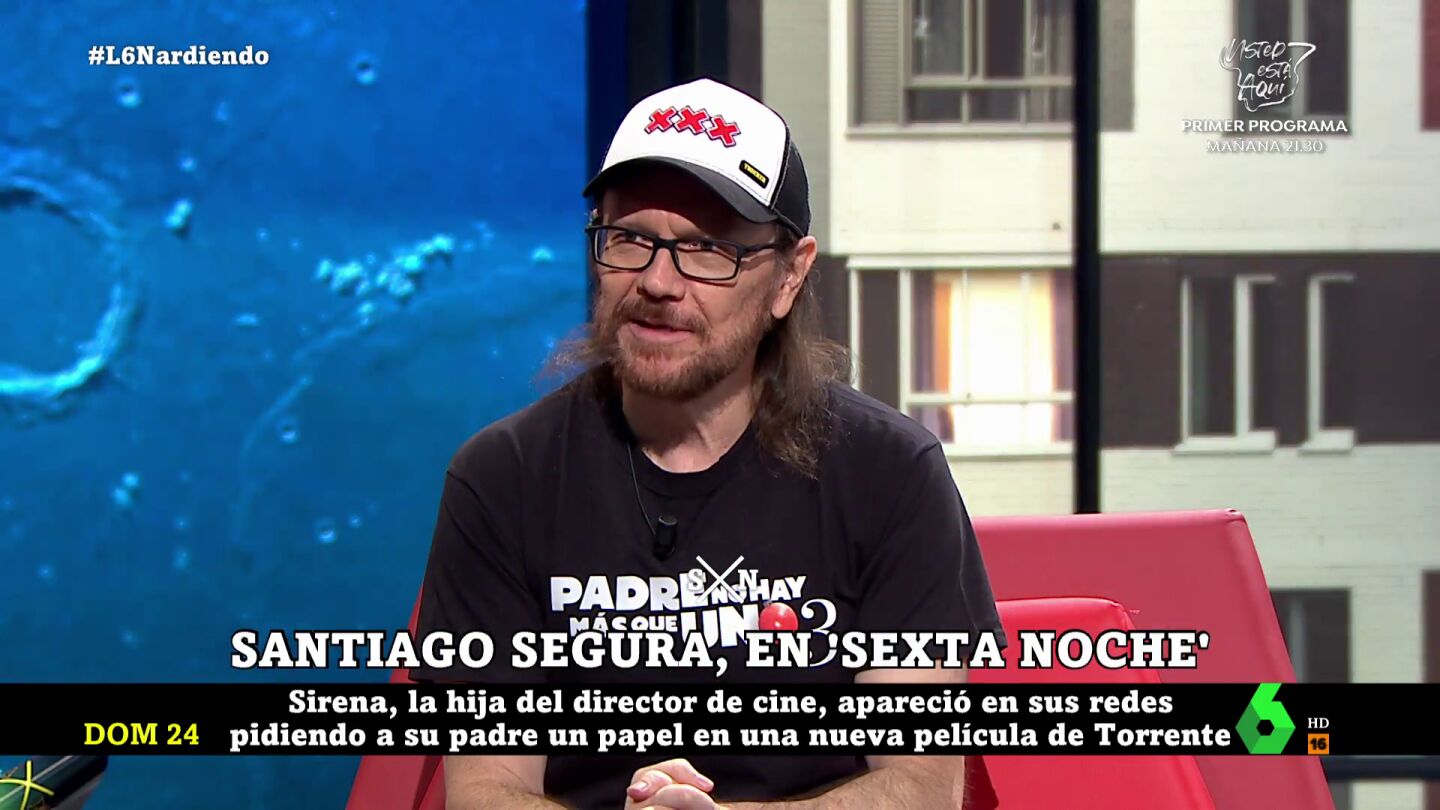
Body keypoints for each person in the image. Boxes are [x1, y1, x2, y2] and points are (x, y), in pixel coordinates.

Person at [411, 76, 1005, 809]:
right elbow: (485, 791)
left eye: (706, 248)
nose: (658, 281)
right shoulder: (503, 478)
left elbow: (923, 787)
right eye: (631, 239)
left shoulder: (890, 472)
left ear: (789, 276)